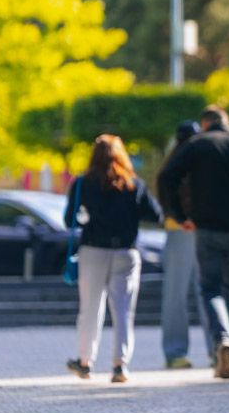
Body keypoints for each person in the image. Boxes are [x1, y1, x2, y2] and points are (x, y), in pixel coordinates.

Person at [157, 106, 229, 380]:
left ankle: (222, 341)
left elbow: (167, 177)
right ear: (226, 122)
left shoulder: (197, 145)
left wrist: (179, 214)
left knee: (210, 289)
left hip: (207, 227)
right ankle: (227, 343)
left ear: (205, 123)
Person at [65, 134, 163, 384]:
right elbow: (156, 214)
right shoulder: (134, 184)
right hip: (126, 253)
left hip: (93, 251)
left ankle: (85, 362)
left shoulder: (82, 184)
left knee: (90, 309)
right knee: (123, 311)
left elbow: (69, 221)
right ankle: (120, 366)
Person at [158, 121, 211, 369]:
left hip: (189, 229)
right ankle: (177, 351)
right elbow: (165, 191)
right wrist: (182, 217)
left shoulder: (178, 161)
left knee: (188, 293)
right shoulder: (179, 164)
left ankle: (214, 348)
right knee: (182, 293)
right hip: (182, 230)